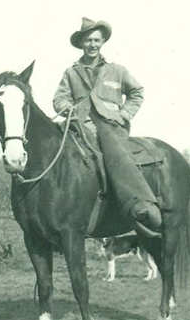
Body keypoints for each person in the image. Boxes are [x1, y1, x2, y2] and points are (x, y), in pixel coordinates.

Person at [53, 17, 162, 237]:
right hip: (79, 126)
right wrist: (69, 109)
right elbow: (59, 99)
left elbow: (136, 92)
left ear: (102, 42)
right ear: (81, 43)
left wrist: (124, 114)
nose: (92, 45)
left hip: (111, 127)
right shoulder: (71, 73)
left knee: (115, 156)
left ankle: (139, 206)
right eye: (88, 40)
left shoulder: (117, 71)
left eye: (96, 40)